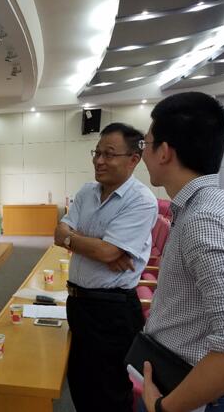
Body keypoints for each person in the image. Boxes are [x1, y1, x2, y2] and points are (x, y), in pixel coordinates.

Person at [140, 92, 224, 412]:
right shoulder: (203, 208)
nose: (142, 154)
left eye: (146, 144)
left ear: (164, 152)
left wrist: (163, 408)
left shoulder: (204, 220)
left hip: (197, 398)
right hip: (185, 384)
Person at [54, 122, 157, 412]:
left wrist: (89, 244)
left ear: (133, 159)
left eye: (109, 154)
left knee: (110, 392)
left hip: (112, 311)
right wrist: (96, 246)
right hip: (78, 304)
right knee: (80, 383)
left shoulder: (141, 200)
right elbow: (59, 233)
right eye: (97, 152)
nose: (99, 161)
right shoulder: (87, 191)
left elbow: (107, 251)